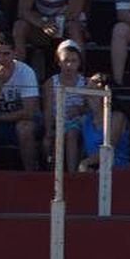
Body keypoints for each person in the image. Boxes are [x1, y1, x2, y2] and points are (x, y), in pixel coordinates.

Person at [0, 33, 40, 170]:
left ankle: (30, 175)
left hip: (20, 120)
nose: (1, 59)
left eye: (6, 54)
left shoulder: (26, 72)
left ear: (14, 53)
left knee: (24, 128)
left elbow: (29, 112)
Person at [71, 70, 129, 170]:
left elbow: (109, 149)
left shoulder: (117, 117)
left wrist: (85, 162)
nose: (90, 82)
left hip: (117, 171)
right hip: (92, 169)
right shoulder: (86, 119)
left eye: (97, 81)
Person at [40, 37, 83, 168]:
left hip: (79, 123)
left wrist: (80, 110)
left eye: (73, 61)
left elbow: (90, 107)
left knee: (71, 134)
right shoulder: (50, 83)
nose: (69, 65)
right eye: (65, 61)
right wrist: (49, 131)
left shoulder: (86, 83)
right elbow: (47, 110)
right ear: (59, 62)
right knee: (49, 142)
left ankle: (72, 175)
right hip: (56, 122)